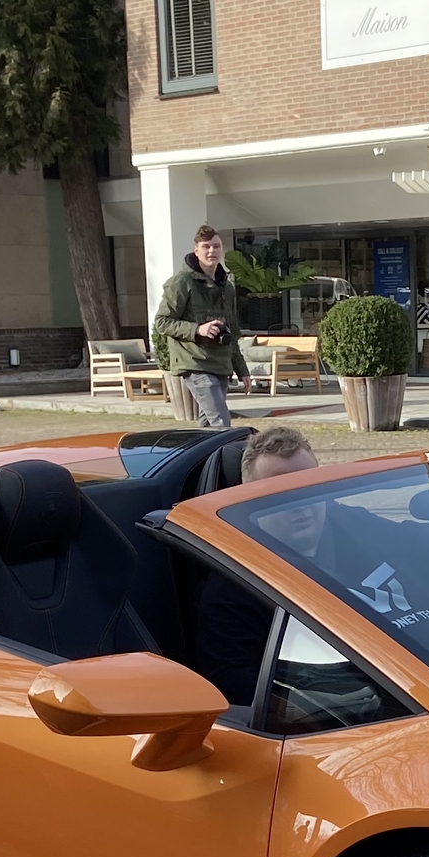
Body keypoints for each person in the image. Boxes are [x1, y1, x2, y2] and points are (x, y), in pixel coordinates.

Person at [193, 425, 319, 700]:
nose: (302, 503)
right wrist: (308, 703)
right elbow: (230, 678)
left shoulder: (360, 530)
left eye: (311, 487)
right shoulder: (236, 582)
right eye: (281, 494)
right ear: (250, 504)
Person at [154, 225, 248, 431]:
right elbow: (162, 322)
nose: (211, 251)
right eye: (206, 246)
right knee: (221, 423)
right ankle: (228, 462)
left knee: (207, 427)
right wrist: (198, 329)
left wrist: (242, 369)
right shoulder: (181, 283)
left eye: (216, 246)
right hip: (195, 363)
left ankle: (201, 462)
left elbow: (232, 330)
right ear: (196, 250)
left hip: (220, 364)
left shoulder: (227, 286)